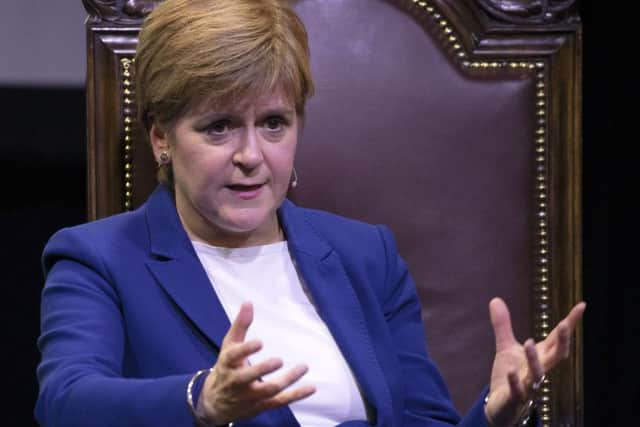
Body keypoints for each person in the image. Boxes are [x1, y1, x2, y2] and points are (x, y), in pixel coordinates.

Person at [34, 0, 585, 426]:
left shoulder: (365, 254)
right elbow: (65, 402)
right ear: (161, 138)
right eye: (218, 126)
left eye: (274, 123)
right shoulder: (99, 259)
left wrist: (494, 413)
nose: (251, 156)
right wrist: (202, 399)